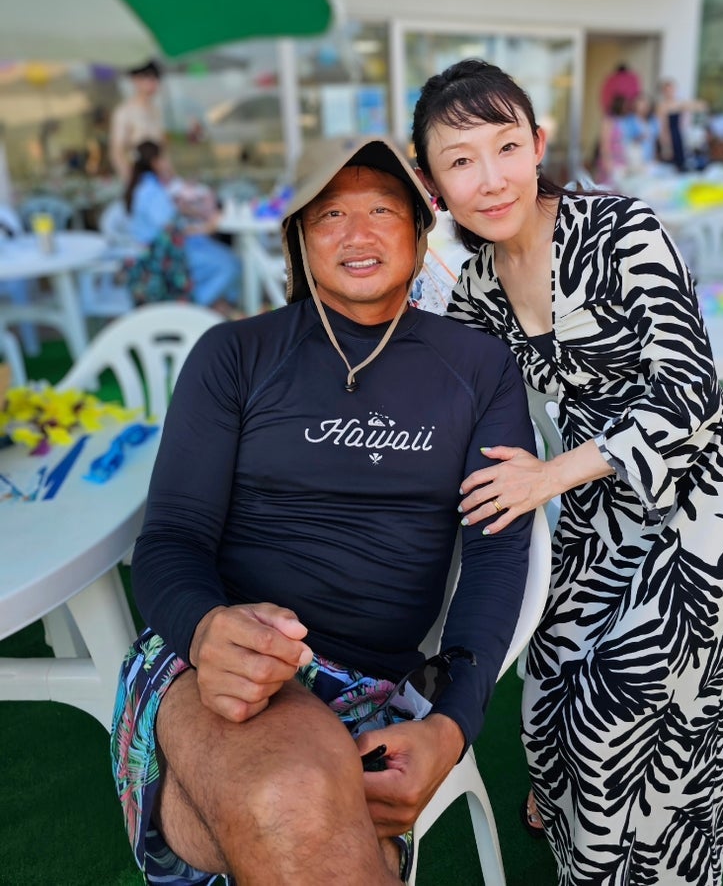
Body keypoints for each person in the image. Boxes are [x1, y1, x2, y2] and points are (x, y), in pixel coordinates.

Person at [110, 135, 538, 885]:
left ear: (419, 232)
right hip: (217, 655)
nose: (357, 232)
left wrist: (452, 724)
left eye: (382, 209)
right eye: (330, 213)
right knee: (292, 800)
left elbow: (496, 554)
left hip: (375, 685)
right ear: (299, 241)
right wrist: (208, 630)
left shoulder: (479, 369)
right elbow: (172, 536)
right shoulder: (233, 355)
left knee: (288, 821)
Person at [411, 59, 723, 886]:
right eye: (460, 160)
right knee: (547, 694)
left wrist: (545, 477)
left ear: (538, 146)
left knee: (620, 709)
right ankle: (576, 825)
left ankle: (646, 868)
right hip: (600, 513)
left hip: (703, 504)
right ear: (434, 184)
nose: (491, 178)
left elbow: (690, 395)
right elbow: (445, 393)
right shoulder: (476, 289)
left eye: (507, 146)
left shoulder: (622, 230)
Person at [124, 139, 241, 313]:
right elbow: (171, 228)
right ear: (155, 162)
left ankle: (214, 305)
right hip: (161, 258)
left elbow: (172, 216)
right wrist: (208, 226)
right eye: (165, 158)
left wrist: (195, 215)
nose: (168, 162)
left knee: (226, 260)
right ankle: (194, 310)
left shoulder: (150, 185)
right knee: (229, 265)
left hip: (165, 252)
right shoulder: (150, 190)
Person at [110, 59, 166, 181]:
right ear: (136, 79)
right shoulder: (125, 112)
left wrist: (169, 178)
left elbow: (162, 152)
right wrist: (132, 181)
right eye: (149, 78)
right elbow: (117, 153)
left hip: (157, 179)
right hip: (137, 177)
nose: (154, 83)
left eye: (156, 78)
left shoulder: (156, 111)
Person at [656, 77, 707, 171]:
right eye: (667, 90)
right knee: (669, 161)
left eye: (671, 89)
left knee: (681, 160)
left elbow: (700, 106)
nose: (670, 92)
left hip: (678, 134)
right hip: (669, 135)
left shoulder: (679, 103)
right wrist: (664, 140)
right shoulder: (662, 106)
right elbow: (662, 125)